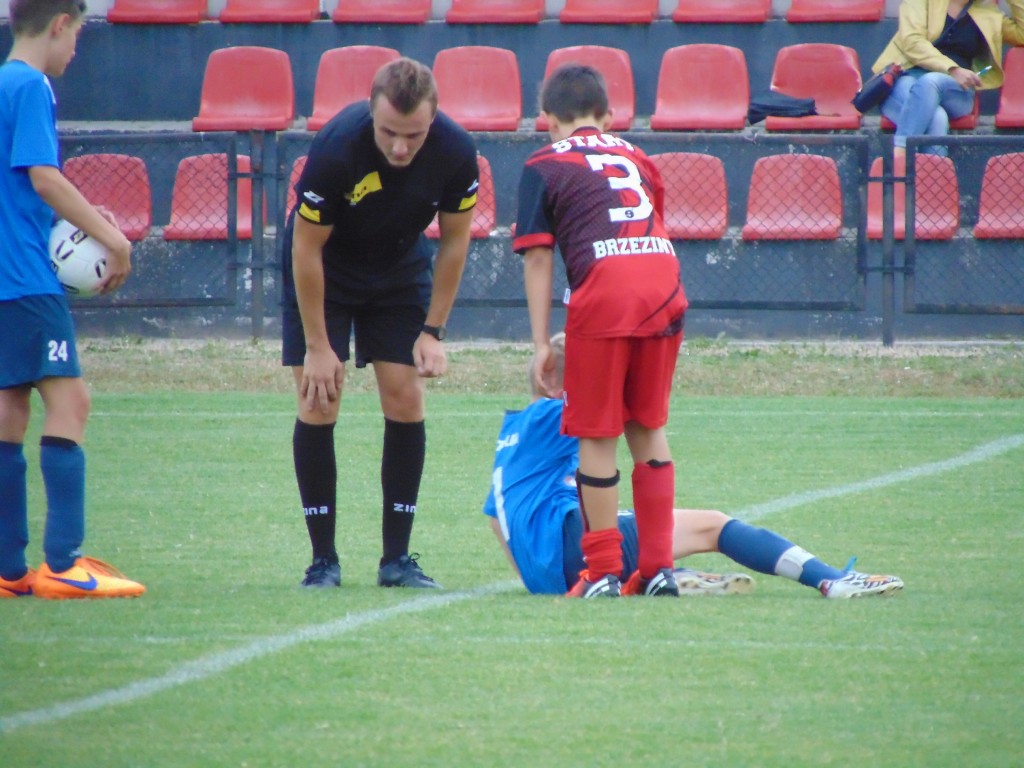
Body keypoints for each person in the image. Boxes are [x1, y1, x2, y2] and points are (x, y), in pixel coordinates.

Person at [483, 334, 905, 600]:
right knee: (714, 525)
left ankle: (674, 576)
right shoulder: (548, 415)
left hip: (552, 564)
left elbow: (494, 519)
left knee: (641, 529)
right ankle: (831, 579)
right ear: (553, 384)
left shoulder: (515, 434)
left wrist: (540, 581)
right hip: (571, 539)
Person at [281, 57, 479, 590]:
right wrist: (319, 346)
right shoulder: (337, 147)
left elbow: (456, 240)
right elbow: (305, 249)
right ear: (371, 113)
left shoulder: (457, 152)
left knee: (405, 396)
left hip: (396, 267)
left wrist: (432, 332)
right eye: (389, 132)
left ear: (433, 120)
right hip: (327, 268)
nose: (399, 146)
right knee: (318, 398)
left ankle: (397, 560)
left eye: (413, 135)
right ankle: (322, 561)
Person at [514, 64, 689, 598]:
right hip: (664, 287)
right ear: (610, 117)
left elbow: (539, 257)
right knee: (647, 428)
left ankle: (603, 571)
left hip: (606, 294)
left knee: (596, 435)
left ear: (547, 120)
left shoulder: (543, 164)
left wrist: (542, 342)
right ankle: (658, 568)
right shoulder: (637, 156)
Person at [0, 0, 144, 599]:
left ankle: (9, 570)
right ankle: (63, 564)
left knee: (9, 408)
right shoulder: (31, 85)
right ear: (60, 23)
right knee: (72, 401)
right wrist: (114, 240)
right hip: (26, 278)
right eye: (79, 33)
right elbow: (43, 177)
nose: (78, 48)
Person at [875, 0, 1024, 157]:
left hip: (956, 90)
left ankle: (900, 158)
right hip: (908, 76)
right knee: (937, 118)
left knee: (930, 82)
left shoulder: (987, 12)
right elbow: (912, 42)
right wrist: (952, 69)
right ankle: (933, 180)